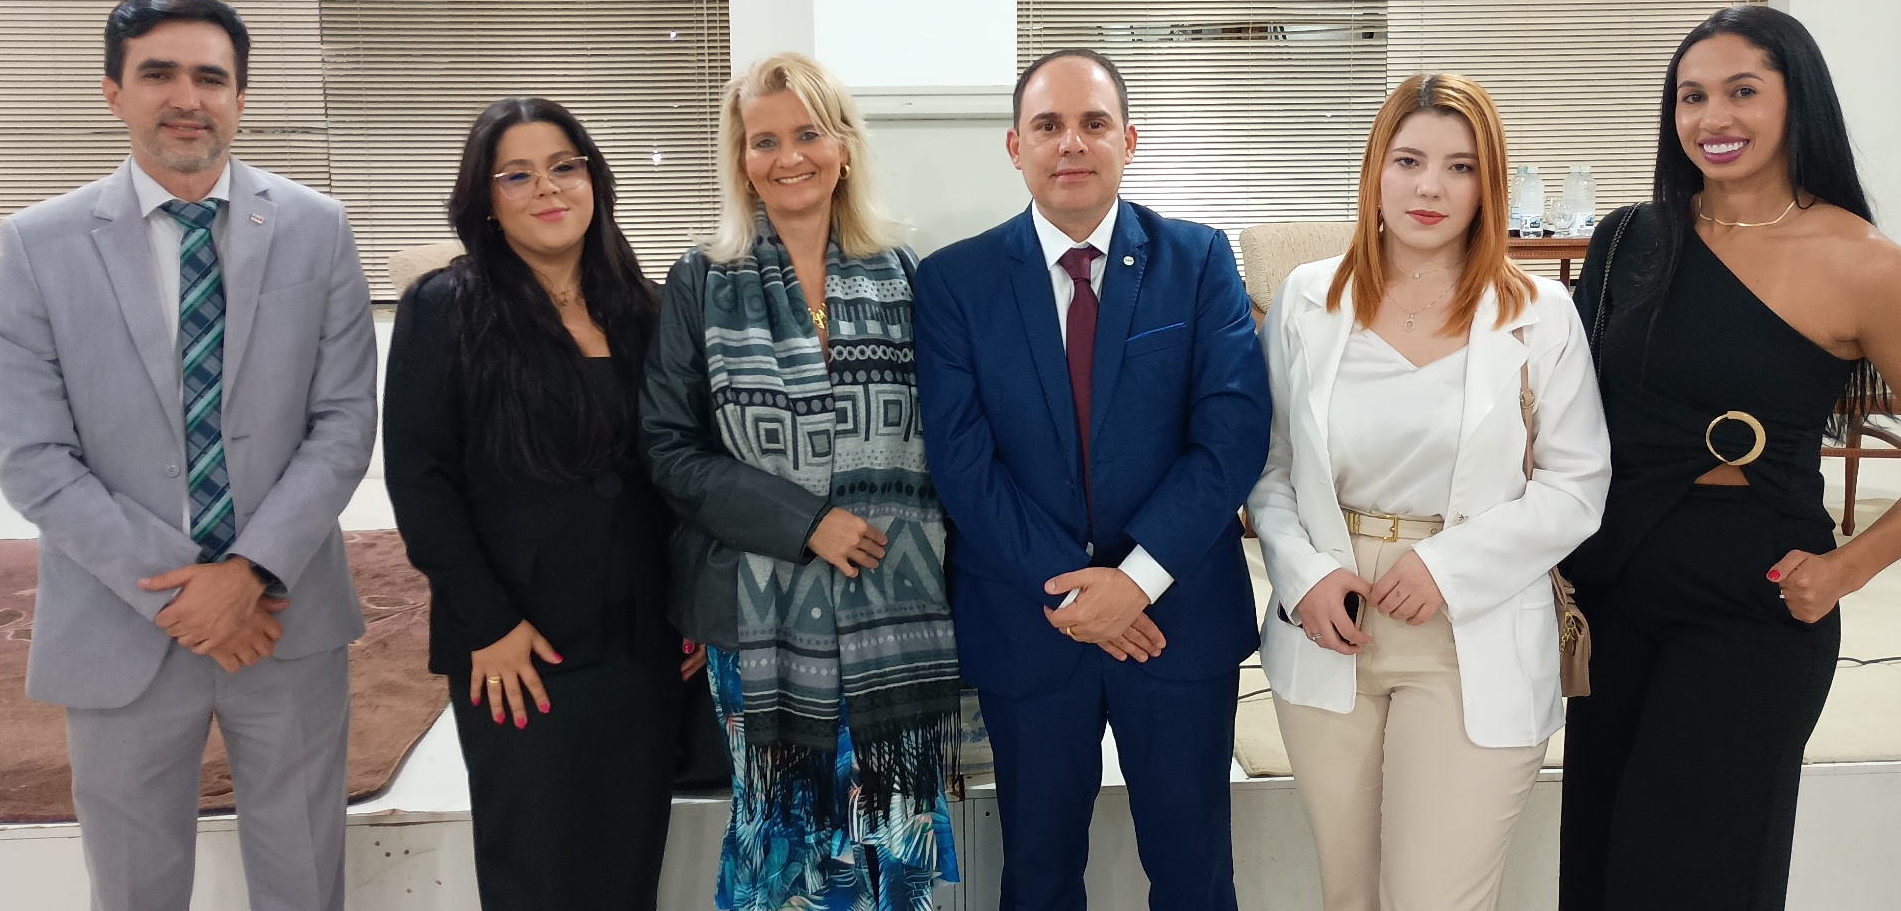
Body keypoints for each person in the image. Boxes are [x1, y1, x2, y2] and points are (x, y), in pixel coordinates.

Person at [1558, 6, 1901, 910]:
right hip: (1612, 586)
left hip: (1753, 600)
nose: (1713, 117)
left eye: (1743, 91)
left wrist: (1849, 567)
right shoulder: (1629, 238)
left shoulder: (1869, 264)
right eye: (1692, 97)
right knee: (1599, 868)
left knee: (1692, 877)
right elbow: (1571, 416)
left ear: (1798, 101)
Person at [0, 0, 377, 910]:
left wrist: (247, 574)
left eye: (211, 76)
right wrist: (185, 591)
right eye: (158, 73)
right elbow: (34, 457)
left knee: (305, 878)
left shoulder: (317, 227)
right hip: (119, 619)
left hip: (284, 615)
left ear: (241, 96)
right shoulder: (38, 243)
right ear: (113, 92)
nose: (187, 97)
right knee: (134, 886)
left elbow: (344, 423)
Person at [914, 48, 1270, 911]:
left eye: (1093, 123)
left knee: (1194, 878)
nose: (1071, 142)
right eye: (1048, 125)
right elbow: (963, 463)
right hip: (1030, 624)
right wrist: (1081, 594)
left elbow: (1231, 436)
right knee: (1037, 880)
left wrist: (1135, 580)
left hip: (1175, 621)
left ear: (1129, 140)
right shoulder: (954, 281)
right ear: (1015, 146)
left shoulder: (1198, 259)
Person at [1246, 73, 1611, 911]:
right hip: (1332, 617)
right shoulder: (1307, 298)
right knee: (1349, 894)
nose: (1430, 187)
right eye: (1409, 160)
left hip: (1471, 619)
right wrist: (1302, 575)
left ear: (1489, 184)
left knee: (1435, 898)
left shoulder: (1541, 311)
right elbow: (1268, 466)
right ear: (1376, 170)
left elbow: (1577, 485)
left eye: (1460, 166)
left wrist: (1447, 567)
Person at [640, 52, 962, 911]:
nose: (789, 157)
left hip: (897, 608)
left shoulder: (905, 273)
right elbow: (668, 448)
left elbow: (949, 436)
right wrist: (805, 521)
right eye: (764, 140)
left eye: (808, 133)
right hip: (757, 618)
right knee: (784, 839)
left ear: (843, 147)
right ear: (741, 160)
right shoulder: (701, 279)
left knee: (893, 832)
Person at [382, 97, 695, 909]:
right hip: (518, 645)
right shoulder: (444, 307)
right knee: (538, 875)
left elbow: (680, 467)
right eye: (516, 175)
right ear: (486, 200)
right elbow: (420, 479)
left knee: (627, 869)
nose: (547, 187)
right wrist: (486, 623)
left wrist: (692, 599)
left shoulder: (647, 307)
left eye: (563, 166)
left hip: (643, 641)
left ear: (594, 179)